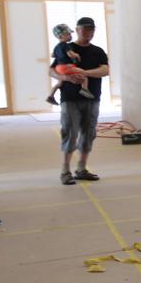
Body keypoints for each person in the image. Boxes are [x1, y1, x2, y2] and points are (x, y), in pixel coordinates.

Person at [49, 17, 109, 186]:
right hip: (70, 99)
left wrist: (84, 73)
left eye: (91, 30)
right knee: (70, 133)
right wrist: (65, 77)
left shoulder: (98, 51)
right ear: (76, 30)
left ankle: (81, 169)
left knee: (88, 134)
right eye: (84, 29)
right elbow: (52, 70)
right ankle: (65, 171)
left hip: (92, 98)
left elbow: (105, 70)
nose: (88, 33)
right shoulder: (66, 47)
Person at [46, 24, 92, 105]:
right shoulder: (65, 45)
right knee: (84, 75)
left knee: (59, 83)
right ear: (60, 36)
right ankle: (84, 90)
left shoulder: (57, 46)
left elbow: (53, 55)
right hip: (66, 66)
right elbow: (70, 54)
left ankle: (51, 96)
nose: (70, 36)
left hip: (58, 67)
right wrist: (76, 55)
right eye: (68, 34)